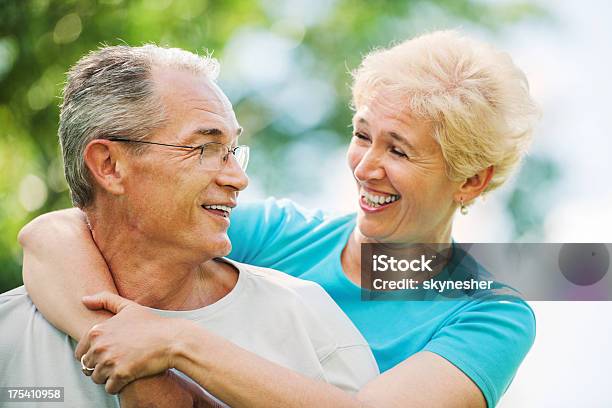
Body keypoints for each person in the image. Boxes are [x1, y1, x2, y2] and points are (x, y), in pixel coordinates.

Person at [19, 30, 540, 407]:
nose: (366, 167)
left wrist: (174, 343)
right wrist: (132, 363)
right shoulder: (278, 234)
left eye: (399, 152)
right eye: (362, 135)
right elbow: (61, 233)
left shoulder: (489, 316)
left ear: (471, 180)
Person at [0, 44, 379, 407]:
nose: (238, 179)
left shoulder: (310, 322)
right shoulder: (10, 337)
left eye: (232, 152)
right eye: (205, 149)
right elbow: (46, 231)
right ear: (109, 166)